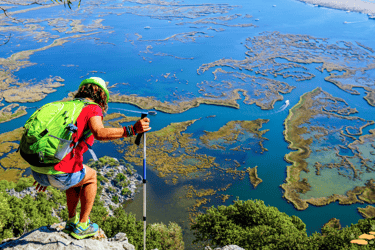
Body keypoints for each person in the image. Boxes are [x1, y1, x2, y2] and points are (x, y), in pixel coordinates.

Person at [30, 77, 151, 239]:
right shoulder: (92, 108)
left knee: (77, 175)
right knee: (91, 177)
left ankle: (71, 222)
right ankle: (82, 225)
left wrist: (43, 169)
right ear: (99, 93)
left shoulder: (68, 106)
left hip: (38, 172)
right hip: (57, 174)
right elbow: (99, 133)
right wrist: (132, 130)